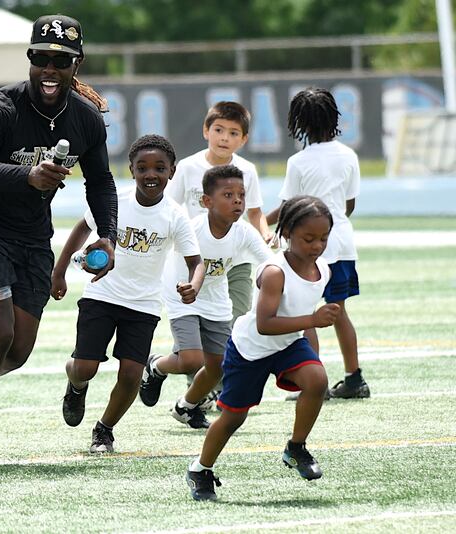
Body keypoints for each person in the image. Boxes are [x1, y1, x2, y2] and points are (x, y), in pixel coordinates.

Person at [0, 14, 118, 467]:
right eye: (40, 58)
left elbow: (102, 182)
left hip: (32, 233)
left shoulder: (87, 120)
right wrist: (27, 175)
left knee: (17, 350)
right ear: (30, 58)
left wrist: (109, 237)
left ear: (77, 64)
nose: (49, 69)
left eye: (61, 61)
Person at [53, 134, 204, 453]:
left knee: (132, 374)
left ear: (171, 172)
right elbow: (82, 228)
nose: (151, 175)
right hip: (101, 295)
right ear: (132, 170)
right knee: (85, 368)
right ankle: (75, 385)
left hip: (144, 306)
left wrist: (194, 284)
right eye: (143, 167)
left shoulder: (175, 215)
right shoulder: (114, 202)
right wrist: (59, 270)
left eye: (160, 168)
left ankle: (104, 430)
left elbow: (196, 262)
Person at [187, 195, 339, 502]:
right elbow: (265, 323)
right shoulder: (274, 272)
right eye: (308, 238)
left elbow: (306, 321)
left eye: (323, 238)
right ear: (287, 233)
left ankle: (296, 448)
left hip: (288, 344)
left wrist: (314, 362)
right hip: (250, 350)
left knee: (318, 381)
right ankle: (200, 469)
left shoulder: (323, 269)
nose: (317, 246)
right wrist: (313, 319)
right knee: (233, 418)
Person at [139, 164, 272, 429]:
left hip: (215, 300)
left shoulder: (244, 232)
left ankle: (186, 406)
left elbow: (270, 262)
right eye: (228, 195)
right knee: (191, 359)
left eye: (241, 195)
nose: (237, 200)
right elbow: (162, 250)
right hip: (181, 294)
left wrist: (288, 276)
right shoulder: (192, 229)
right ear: (206, 201)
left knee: (220, 365)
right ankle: (156, 366)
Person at [267, 87, 368, 400]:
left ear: (299, 123)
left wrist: (256, 220)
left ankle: (314, 380)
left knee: (306, 312)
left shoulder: (299, 161)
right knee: (338, 312)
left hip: (309, 248)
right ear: (333, 118)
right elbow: (349, 204)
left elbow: (287, 208)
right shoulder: (348, 155)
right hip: (341, 242)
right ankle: (355, 378)